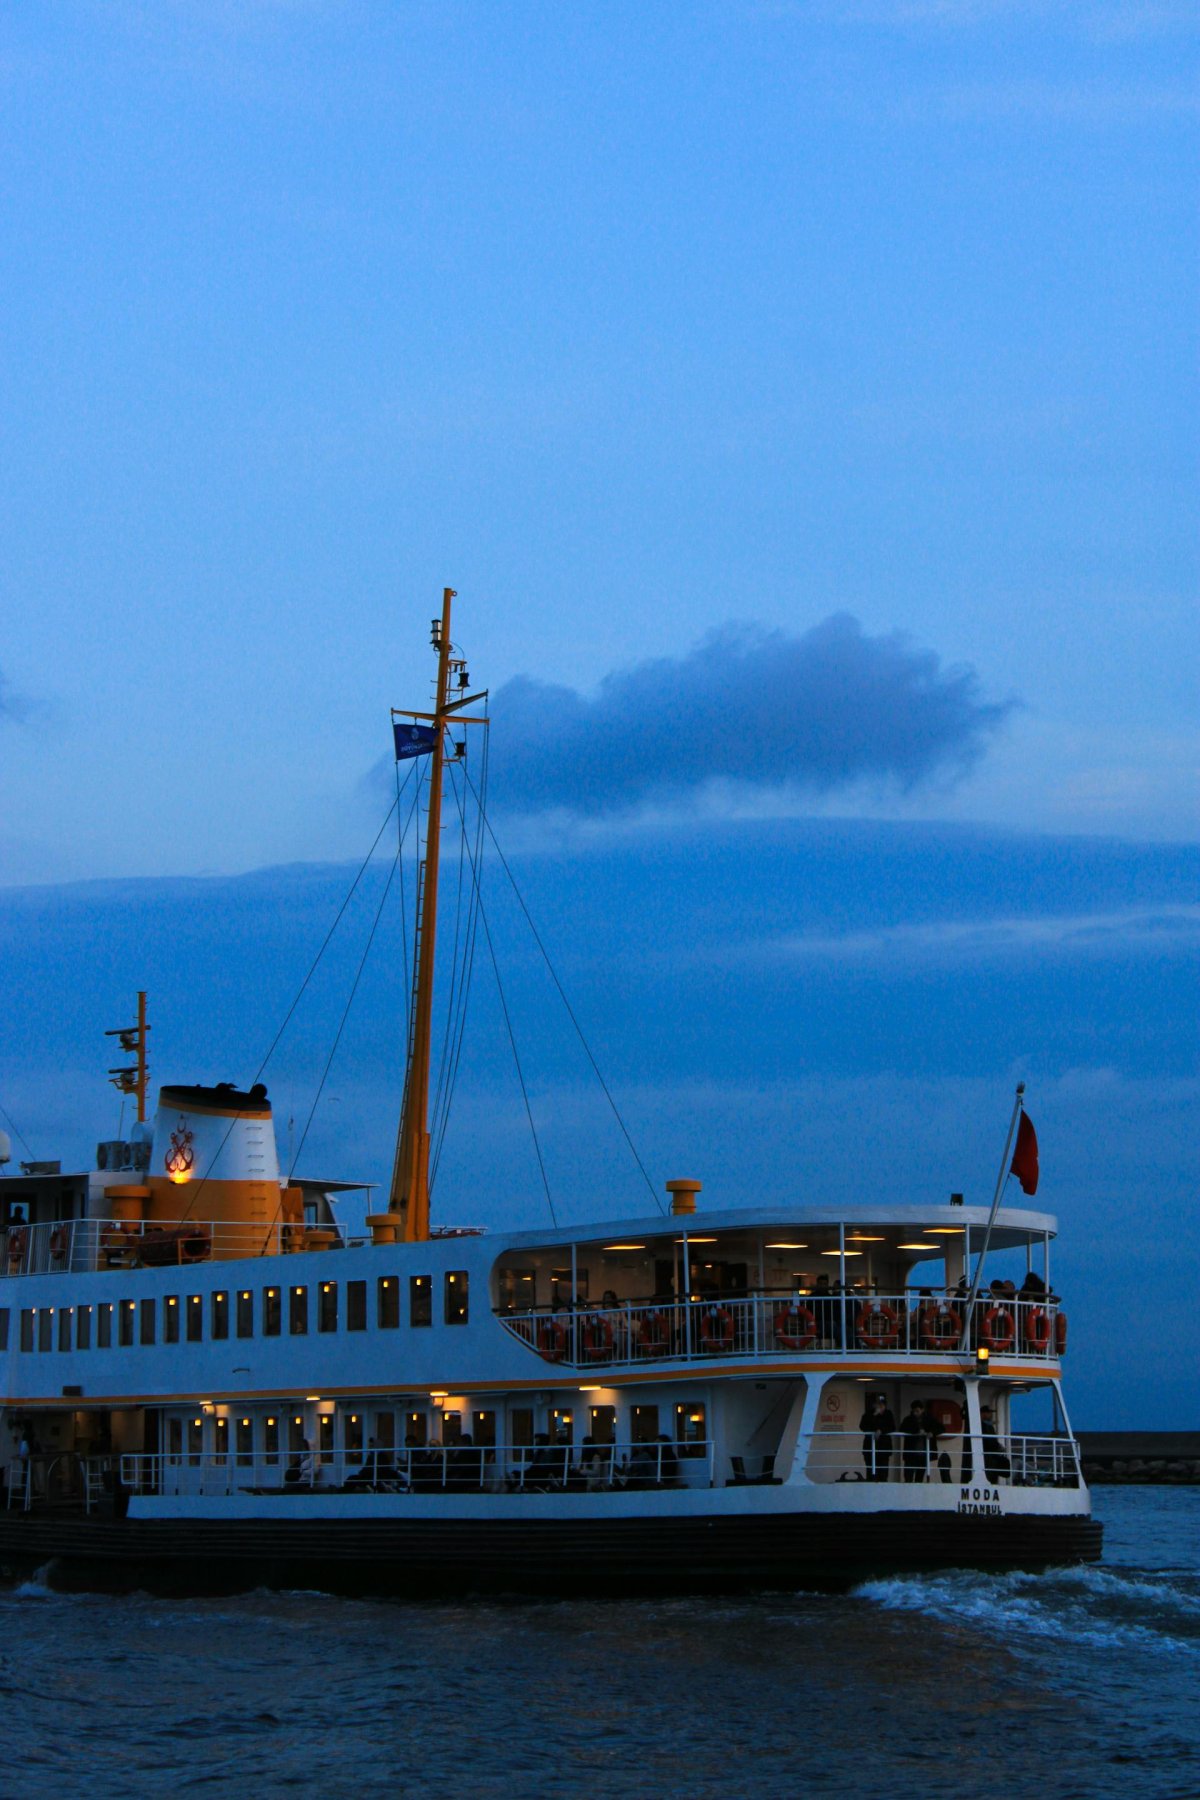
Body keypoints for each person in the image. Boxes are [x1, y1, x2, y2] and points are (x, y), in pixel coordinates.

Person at [859, 1395, 895, 1482]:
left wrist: (881, 1430)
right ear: (874, 1405)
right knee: (871, 1473)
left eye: (882, 1405)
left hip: (883, 1449)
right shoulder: (868, 1414)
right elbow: (863, 1426)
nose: (880, 1407)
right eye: (878, 1404)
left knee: (883, 1474)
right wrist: (874, 1415)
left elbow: (892, 1427)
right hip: (870, 1448)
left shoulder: (888, 1414)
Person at [898, 1399, 931, 1483]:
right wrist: (916, 1431)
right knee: (908, 1477)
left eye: (917, 1411)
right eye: (914, 1411)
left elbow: (940, 1427)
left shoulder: (928, 1419)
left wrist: (931, 1433)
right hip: (911, 1454)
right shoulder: (908, 1420)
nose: (915, 1413)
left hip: (922, 1455)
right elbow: (902, 1429)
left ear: (922, 1410)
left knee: (919, 1479)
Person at [980, 1405, 1011, 1483]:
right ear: (983, 1414)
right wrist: (998, 1447)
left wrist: (998, 1446)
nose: (991, 1415)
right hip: (988, 1457)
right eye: (989, 1413)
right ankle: (1038, 1473)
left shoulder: (989, 1426)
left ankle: (1037, 1474)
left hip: (991, 1456)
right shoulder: (984, 1426)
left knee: (1006, 1463)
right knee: (1009, 1463)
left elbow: (992, 1440)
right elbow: (988, 1441)